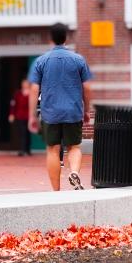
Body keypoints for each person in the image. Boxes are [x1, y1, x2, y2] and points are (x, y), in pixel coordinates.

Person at [27, 23, 93, 191]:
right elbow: (87, 87)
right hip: (73, 111)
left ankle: (56, 192)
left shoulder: (41, 61)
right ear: (65, 38)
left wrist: (32, 115)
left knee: (52, 150)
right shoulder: (78, 59)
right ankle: (74, 172)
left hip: (50, 113)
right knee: (74, 146)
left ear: (51, 38)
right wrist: (86, 110)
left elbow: (34, 88)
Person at [8, 79, 33, 156]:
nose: (25, 85)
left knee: (28, 133)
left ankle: (27, 150)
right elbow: (13, 104)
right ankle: (22, 150)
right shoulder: (18, 93)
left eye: (26, 83)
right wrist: (11, 114)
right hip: (20, 116)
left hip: (29, 116)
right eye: (24, 83)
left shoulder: (32, 93)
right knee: (22, 133)